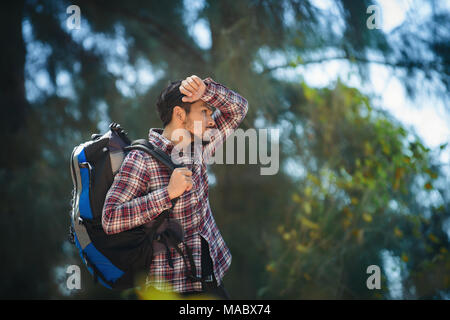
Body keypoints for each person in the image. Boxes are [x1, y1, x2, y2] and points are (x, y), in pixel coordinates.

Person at [102, 75, 248, 299]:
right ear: (180, 114)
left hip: (211, 282)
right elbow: (110, 219)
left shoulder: (199, 147)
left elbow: (238, 109)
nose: (211, 120)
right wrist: (167, 193)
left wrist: (206, 91)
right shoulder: (141, 160)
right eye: (204, 111)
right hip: (170, 290)